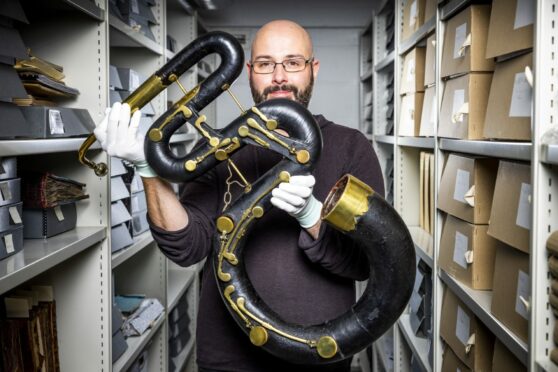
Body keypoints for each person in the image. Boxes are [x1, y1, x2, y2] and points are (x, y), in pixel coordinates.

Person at [95, 20, 384, 372]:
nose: (279, 76)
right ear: (248, 71)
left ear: (313, 69)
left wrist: (312, 217)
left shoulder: (352, 147)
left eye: (293, 62)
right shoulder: (215, 149)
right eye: (265, 64)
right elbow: (187, 247)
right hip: (227, 357)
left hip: (320, 354)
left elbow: (365, 264)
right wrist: (147, 168)